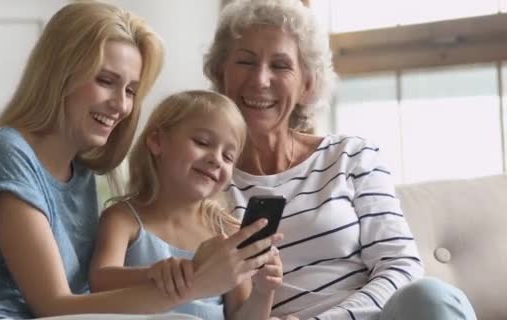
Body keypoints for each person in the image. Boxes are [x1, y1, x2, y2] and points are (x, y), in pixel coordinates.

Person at [0, 2, 277, 320]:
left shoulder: (82, 175)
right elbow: (53, 305)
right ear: (60, 73)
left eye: (131, 91)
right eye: (106, 81)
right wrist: (194, 283)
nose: (121, 105)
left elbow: (87, 295)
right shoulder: (6, 151)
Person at [203, 0, 478, 319]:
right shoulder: (206, 182)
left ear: (307, 84)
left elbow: (401, 267)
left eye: (280, 65)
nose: (260, 80)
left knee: (431, 296)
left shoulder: (352, 156)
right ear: (221, 75)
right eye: (245, 62)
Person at [89, 90, 283, 320]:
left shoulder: (227, 234)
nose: (216, 159)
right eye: (202, 142)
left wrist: (263, 292)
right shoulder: (123, 218)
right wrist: (152, 274)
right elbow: (99, 281)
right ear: (157, 141)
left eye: (228, 157)